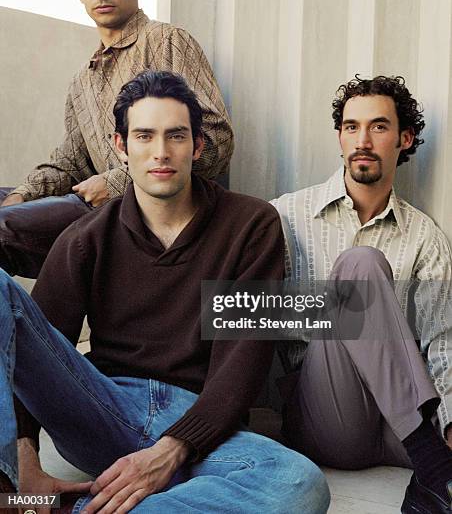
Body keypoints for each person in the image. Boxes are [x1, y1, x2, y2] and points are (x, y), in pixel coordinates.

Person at [0, 70, 329, 514]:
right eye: (144, 136)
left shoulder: (250, 225)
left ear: (197, 145)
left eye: (176, 136)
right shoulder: (86, 238)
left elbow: (243, 361)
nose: (161, 152)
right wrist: (27, 470)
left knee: (300, 483)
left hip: (203, 422)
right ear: (122, 147)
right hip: (104, 404)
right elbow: (30, 357)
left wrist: (171, 450)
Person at [0, 0, 233, 279]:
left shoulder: (165, 41)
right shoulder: (83, 79)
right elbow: (70, 162)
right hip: (96, 207)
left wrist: (117, 182)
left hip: (152, 213)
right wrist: (23, 194)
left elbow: (216, 139)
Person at [272, 75, 452, 513]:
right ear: (339, 138)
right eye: (351, 127)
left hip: (400, 425)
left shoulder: (424, 235)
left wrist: (450, 426)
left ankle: (436, 469)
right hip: (328, 416)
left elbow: (442, 339)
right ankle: (434, 463)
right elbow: (247, 313)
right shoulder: (288, 214)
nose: (363, 140)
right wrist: (343, 308)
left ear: (404, 139)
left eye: (378, 127)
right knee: (361, 264)